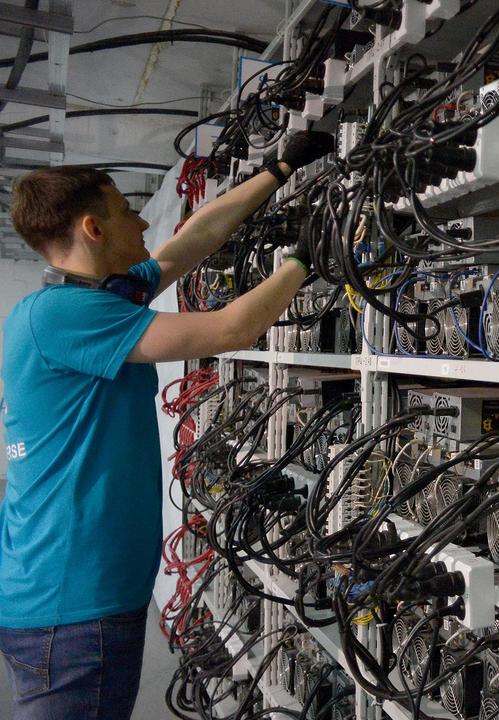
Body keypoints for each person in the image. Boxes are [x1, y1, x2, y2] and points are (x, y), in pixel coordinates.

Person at [0, 131, 333, 720]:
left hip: (70, 590)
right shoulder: (70, 314)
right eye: (129, 212)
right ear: (92, 229)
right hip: (73, 603)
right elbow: (231, 331)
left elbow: (192, 242)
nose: (143, 225)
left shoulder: (91, 298)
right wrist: (304, 259)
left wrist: (279, 170)